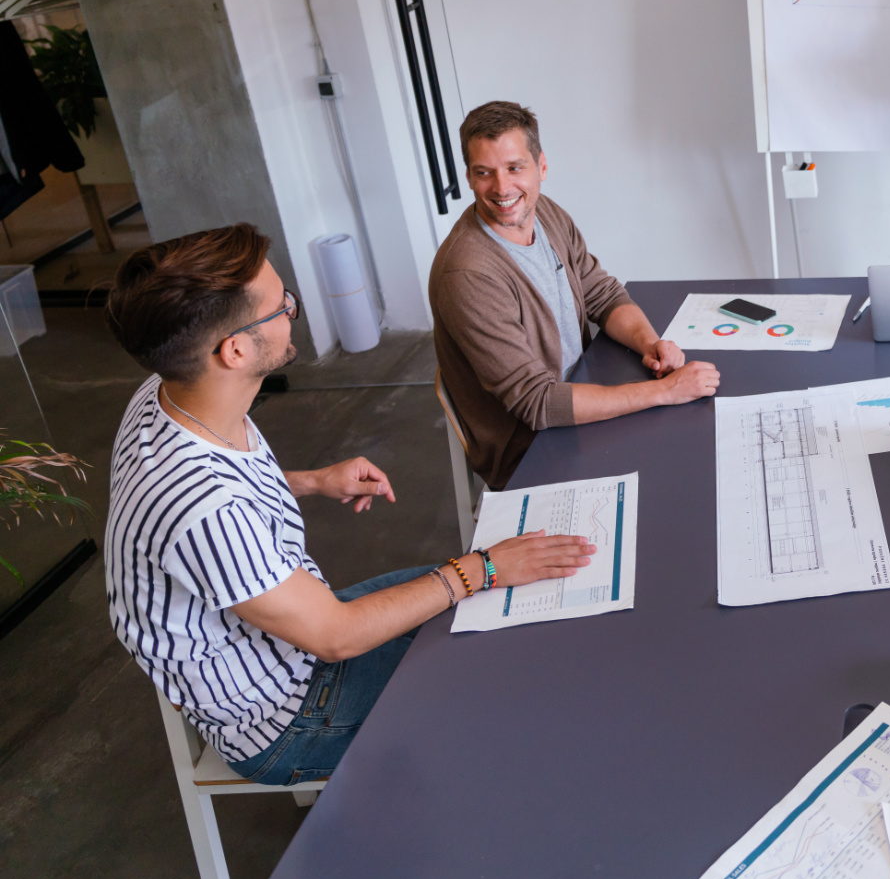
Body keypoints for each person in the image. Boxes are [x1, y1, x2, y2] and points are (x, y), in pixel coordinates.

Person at [102, 224, 596, 784]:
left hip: (294, 628)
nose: (294, 309)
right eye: (280, 305)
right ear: (234, 350)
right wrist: (483, 568)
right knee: (506, 689)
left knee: (501, 608)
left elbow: (230, 494)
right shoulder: (197, 506)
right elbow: (335, 636)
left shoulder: (169, 393)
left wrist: (312, 481)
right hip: (286, 712)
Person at [430, 101, 719, 488]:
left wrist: (649, 342)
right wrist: (663, 391)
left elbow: (600, 293)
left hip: (579, 392)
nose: (502, 188)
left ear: (541, 167)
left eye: (515, 168)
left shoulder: (543, 212)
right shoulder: (467, 273)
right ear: (468, 177)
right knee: (681, 474)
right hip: (532, 446)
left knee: (694, 450)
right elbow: (537, 405)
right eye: (485, 173)